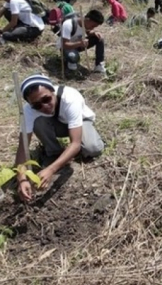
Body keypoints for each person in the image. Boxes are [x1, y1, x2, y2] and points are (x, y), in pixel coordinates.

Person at [15, 74, 104, 202]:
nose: (44, 106)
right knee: (37, 121)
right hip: (55, 124)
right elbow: (23, 147)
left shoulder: (70, 98)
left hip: (80, 121)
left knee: (93, 148)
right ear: (30, 104)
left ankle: (63, 157)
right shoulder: (28, 110)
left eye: (46, 99)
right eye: (36, 105)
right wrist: (22, 179)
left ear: (52, 91)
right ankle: (54, 152)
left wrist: (51, 169)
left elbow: (75, 144)